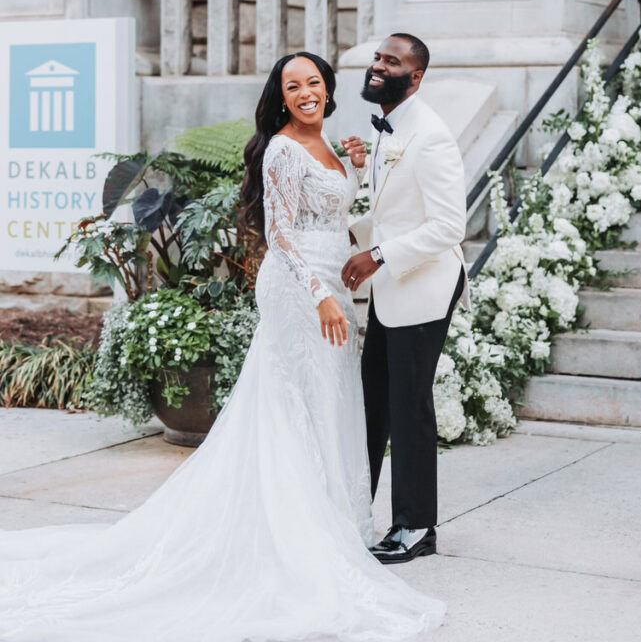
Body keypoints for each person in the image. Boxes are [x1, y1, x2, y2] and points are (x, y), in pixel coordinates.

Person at [0, 50, 445, 642]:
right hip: (298, 288)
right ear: (280, 96)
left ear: (328, 88)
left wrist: (356, 169)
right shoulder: (283, 148)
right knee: (295, 406)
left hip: (334, 284)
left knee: (329, 405)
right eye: (293, 85)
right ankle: (296, 535)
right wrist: (318, 295)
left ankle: (336, 523)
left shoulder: (333, 145)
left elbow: (334, 213)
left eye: (314, 82)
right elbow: (282, 234)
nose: (305, 92)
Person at [342, 34, 468, 565]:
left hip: (424, 287)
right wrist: (356, 228)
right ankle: (352, 511)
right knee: (374, 401)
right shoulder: (390, 127)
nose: (377, 66)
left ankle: (417, 527)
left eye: (391, 61)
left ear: (415, 77)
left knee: (408, 406)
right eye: (376, 57)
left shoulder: (432, 136)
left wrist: (377, 255)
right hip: (395, 284)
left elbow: (447, 226)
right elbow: (397, 210)